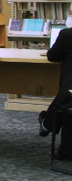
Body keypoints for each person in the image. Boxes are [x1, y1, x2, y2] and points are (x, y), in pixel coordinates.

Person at [39, 9, 72, 160]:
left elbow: (52, 56)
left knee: (67, 97)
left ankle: (48, 122)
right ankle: (48, 123)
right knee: (66, 97)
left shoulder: (67, 35)